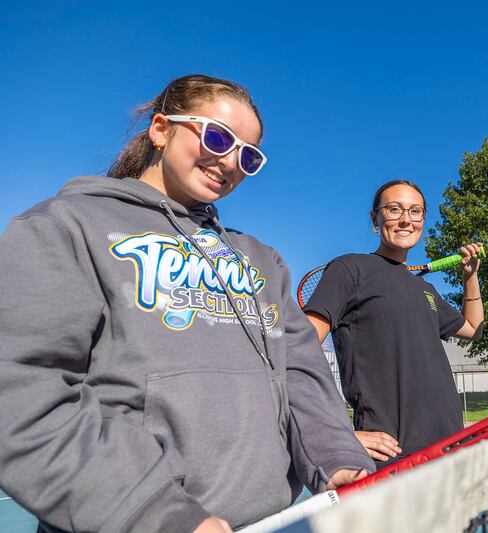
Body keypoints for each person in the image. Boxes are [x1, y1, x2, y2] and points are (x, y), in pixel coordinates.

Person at [0, 74, 374, 533]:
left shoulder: (261, 260)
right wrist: (157, 513)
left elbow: (299, 370)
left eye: (248, 155)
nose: (231, 161)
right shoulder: (65, 226)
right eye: (218, 137)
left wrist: (338, 460)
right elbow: (22, 391)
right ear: (161, 129)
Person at [302, 179, 484, 465]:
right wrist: (335, 427)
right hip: (391, 458)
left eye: (415, 211)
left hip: (449, 449)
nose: (405, 220)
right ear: (375, 218)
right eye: (394, 209)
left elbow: (473, 329)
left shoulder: (426, 290)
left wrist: (470, 278)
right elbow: (300, 349)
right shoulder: (350, 269)